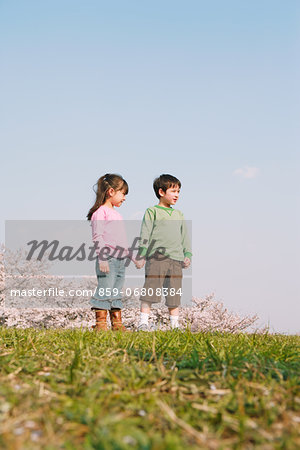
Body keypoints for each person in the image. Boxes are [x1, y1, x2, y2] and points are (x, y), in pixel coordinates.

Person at [136, 174, 192, 331]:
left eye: (179, 191)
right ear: (161, 192)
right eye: (173, 191)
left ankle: (175, 326)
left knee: (174, 294)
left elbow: (184, 237)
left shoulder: (178, 214)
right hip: (156, 258)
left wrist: (187, 255)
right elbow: (145, 234)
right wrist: (142, 254)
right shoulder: (152, 212)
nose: (177, 195)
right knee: (150, 290)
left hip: (176, 260)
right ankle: (143, 323)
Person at [87, 173, 136, 332]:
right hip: (107, 257)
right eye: (123, 193)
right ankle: (100, 324)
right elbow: (98, 236)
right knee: (105, 288)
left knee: (116, 290)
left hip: (120, 260)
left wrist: (134, 258)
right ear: (111, 192)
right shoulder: (100, 213)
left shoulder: (117, 215)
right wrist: (102, 259)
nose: (124, 198)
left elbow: (122, 242)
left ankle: (117, 324)